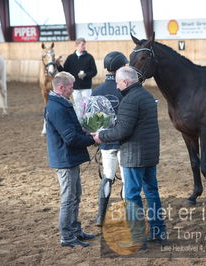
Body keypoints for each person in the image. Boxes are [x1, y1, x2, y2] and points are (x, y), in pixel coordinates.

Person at [91, 66, 166, 250]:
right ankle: (158, 231)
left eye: (117, 82)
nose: (116, 87)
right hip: (150, 154)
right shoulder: (147, 96)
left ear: (125, 82)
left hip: (134, 156)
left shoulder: (129, 100)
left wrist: (101, 136)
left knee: (132, 196)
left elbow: (123, 130)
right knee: (152, 192)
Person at [44, 71, 96, 248]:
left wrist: (87, 133)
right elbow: (70, 138)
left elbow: (73, 131)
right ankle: (66, 236)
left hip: (69, 158)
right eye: (71, 87)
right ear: (61, 87)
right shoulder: (57, 108)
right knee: (68, 198)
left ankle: (75, 230)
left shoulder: (61, 104)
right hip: (65, 159)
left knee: (75, 196)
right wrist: (92, 140)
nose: (73, 90)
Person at [91, 51, 128, 226]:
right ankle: (127, 215)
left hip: (106, 143)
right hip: (125, 142)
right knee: (127, 179)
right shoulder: (127, 89)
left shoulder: (96, 91)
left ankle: (100, 216)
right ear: (121, 67)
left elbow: (91, 120)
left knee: (107, 177)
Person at [56, 37, 97, 117]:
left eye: (84, 44)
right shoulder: (70, 58)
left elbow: (94, 72)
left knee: (87, 107)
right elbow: (65, 72)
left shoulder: (89, 57)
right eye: (82, 44)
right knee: (78, 108)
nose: (84, 46)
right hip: (74, 88)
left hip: (86, 88)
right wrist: (58, 65)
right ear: (77, 45)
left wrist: (85, 75)